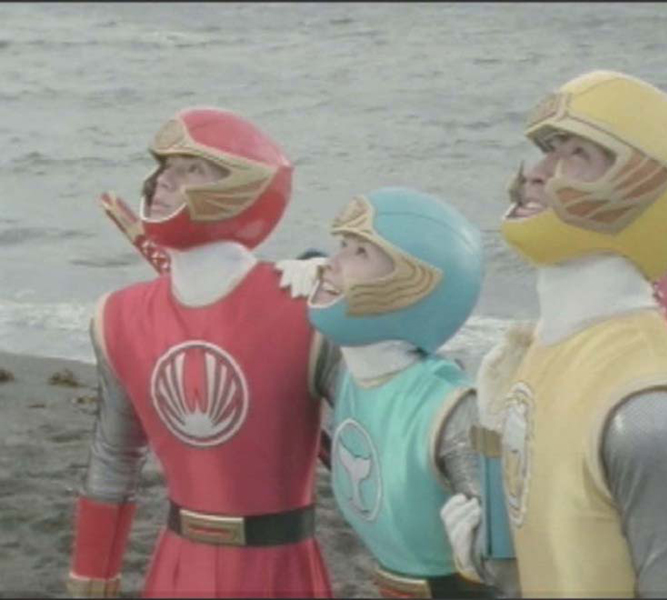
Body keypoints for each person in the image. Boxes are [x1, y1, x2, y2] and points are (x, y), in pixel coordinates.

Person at [441, 70, 667, 597]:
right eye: (549, 151)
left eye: (576, 154)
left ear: (648, 187)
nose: (536, 174)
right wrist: (492, 562)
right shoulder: (535, 353)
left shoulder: (648, 412)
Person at [66, 107, 333, 598]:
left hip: (283, 572)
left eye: (192, 168)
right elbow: (114, 457)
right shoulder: (119, 317)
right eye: (166, 165)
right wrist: (91, 579)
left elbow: (373, 441)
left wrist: (356, 305)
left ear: (242, 186)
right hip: (176, 566)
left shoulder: (306, 309)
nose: (164, 179)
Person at [302, 187, 515, 598]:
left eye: (360, 252)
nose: (332, 262)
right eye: (341, 245)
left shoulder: (452, 411)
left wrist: (482, 556)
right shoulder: (346, 375)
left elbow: (507, 561)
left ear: (416, 283)